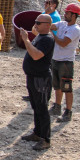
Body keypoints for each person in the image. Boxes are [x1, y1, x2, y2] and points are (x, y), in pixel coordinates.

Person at [21, 14, 55, 150]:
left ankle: (46, 139)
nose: (35, 25)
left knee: (42, 108)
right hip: (33, 77)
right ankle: (37, 132)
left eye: (38, 23)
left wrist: (26, 40)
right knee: (36, 106)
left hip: (41, 79)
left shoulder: (47, 40)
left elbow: (36, 55)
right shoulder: (40, 37)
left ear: (47, 25)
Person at [50, 4, 80, 122]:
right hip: (56, 59)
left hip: (66, 62)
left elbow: (63, 43)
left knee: (67, 88)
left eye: (68, 13)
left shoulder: (75, 29)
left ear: (74, 15)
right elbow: (51, 25)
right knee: (57, 86)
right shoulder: (62, 24)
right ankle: (57, 106)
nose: (65, 14)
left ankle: (68, 112)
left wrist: (53, 34)